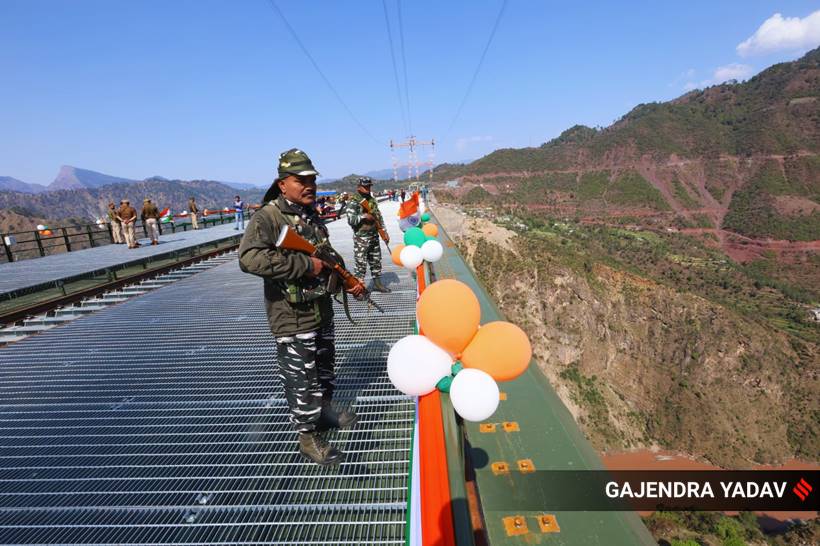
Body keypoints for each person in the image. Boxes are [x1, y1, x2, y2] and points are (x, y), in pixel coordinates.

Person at [239, 148, 363, 466]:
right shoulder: (268, 216)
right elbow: (249, 258)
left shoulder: (310, 214)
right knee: (301, 378)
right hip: (291, 315)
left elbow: (324, 254)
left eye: (311, 179)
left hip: (319, 308)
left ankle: (324, 415)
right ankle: (308, 439)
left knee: (323, 370)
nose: (309, 185)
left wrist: (344, 277)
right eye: (300, 180)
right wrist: (304, 264)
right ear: (283, 184)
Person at [346, 177, 391, 293]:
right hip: (362, 238)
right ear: (359, 187)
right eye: (365, 187)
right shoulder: (354, 201)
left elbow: (378, 217)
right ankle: (359, 288)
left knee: (376, 261)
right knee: (360, 263)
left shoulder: (371, 200)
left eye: (369, 186)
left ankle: (377, 284)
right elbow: (351, 220)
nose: (367, 189)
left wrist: (384, 232)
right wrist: (364, 216)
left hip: (374, 235)